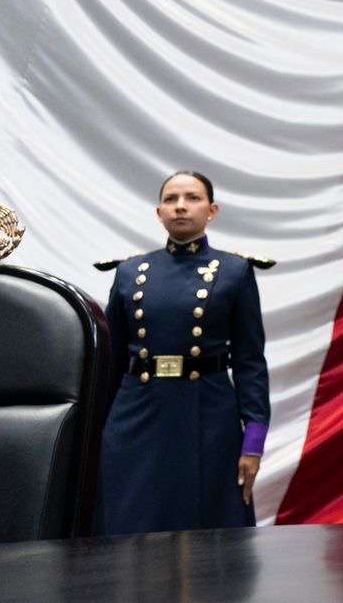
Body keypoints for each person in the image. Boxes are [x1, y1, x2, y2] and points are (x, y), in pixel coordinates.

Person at [94, 171, 271, 535]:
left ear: (212, 210)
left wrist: (253, 443)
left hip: (207, 413)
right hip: (137, 413)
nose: (180, 207)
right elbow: (110, 364)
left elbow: (250, 362)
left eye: (192, 198)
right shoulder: (129, 273)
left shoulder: (235, 271)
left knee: (207, 530)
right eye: (171, 199)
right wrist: (97, 433)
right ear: (159, 212)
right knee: (131, 521)